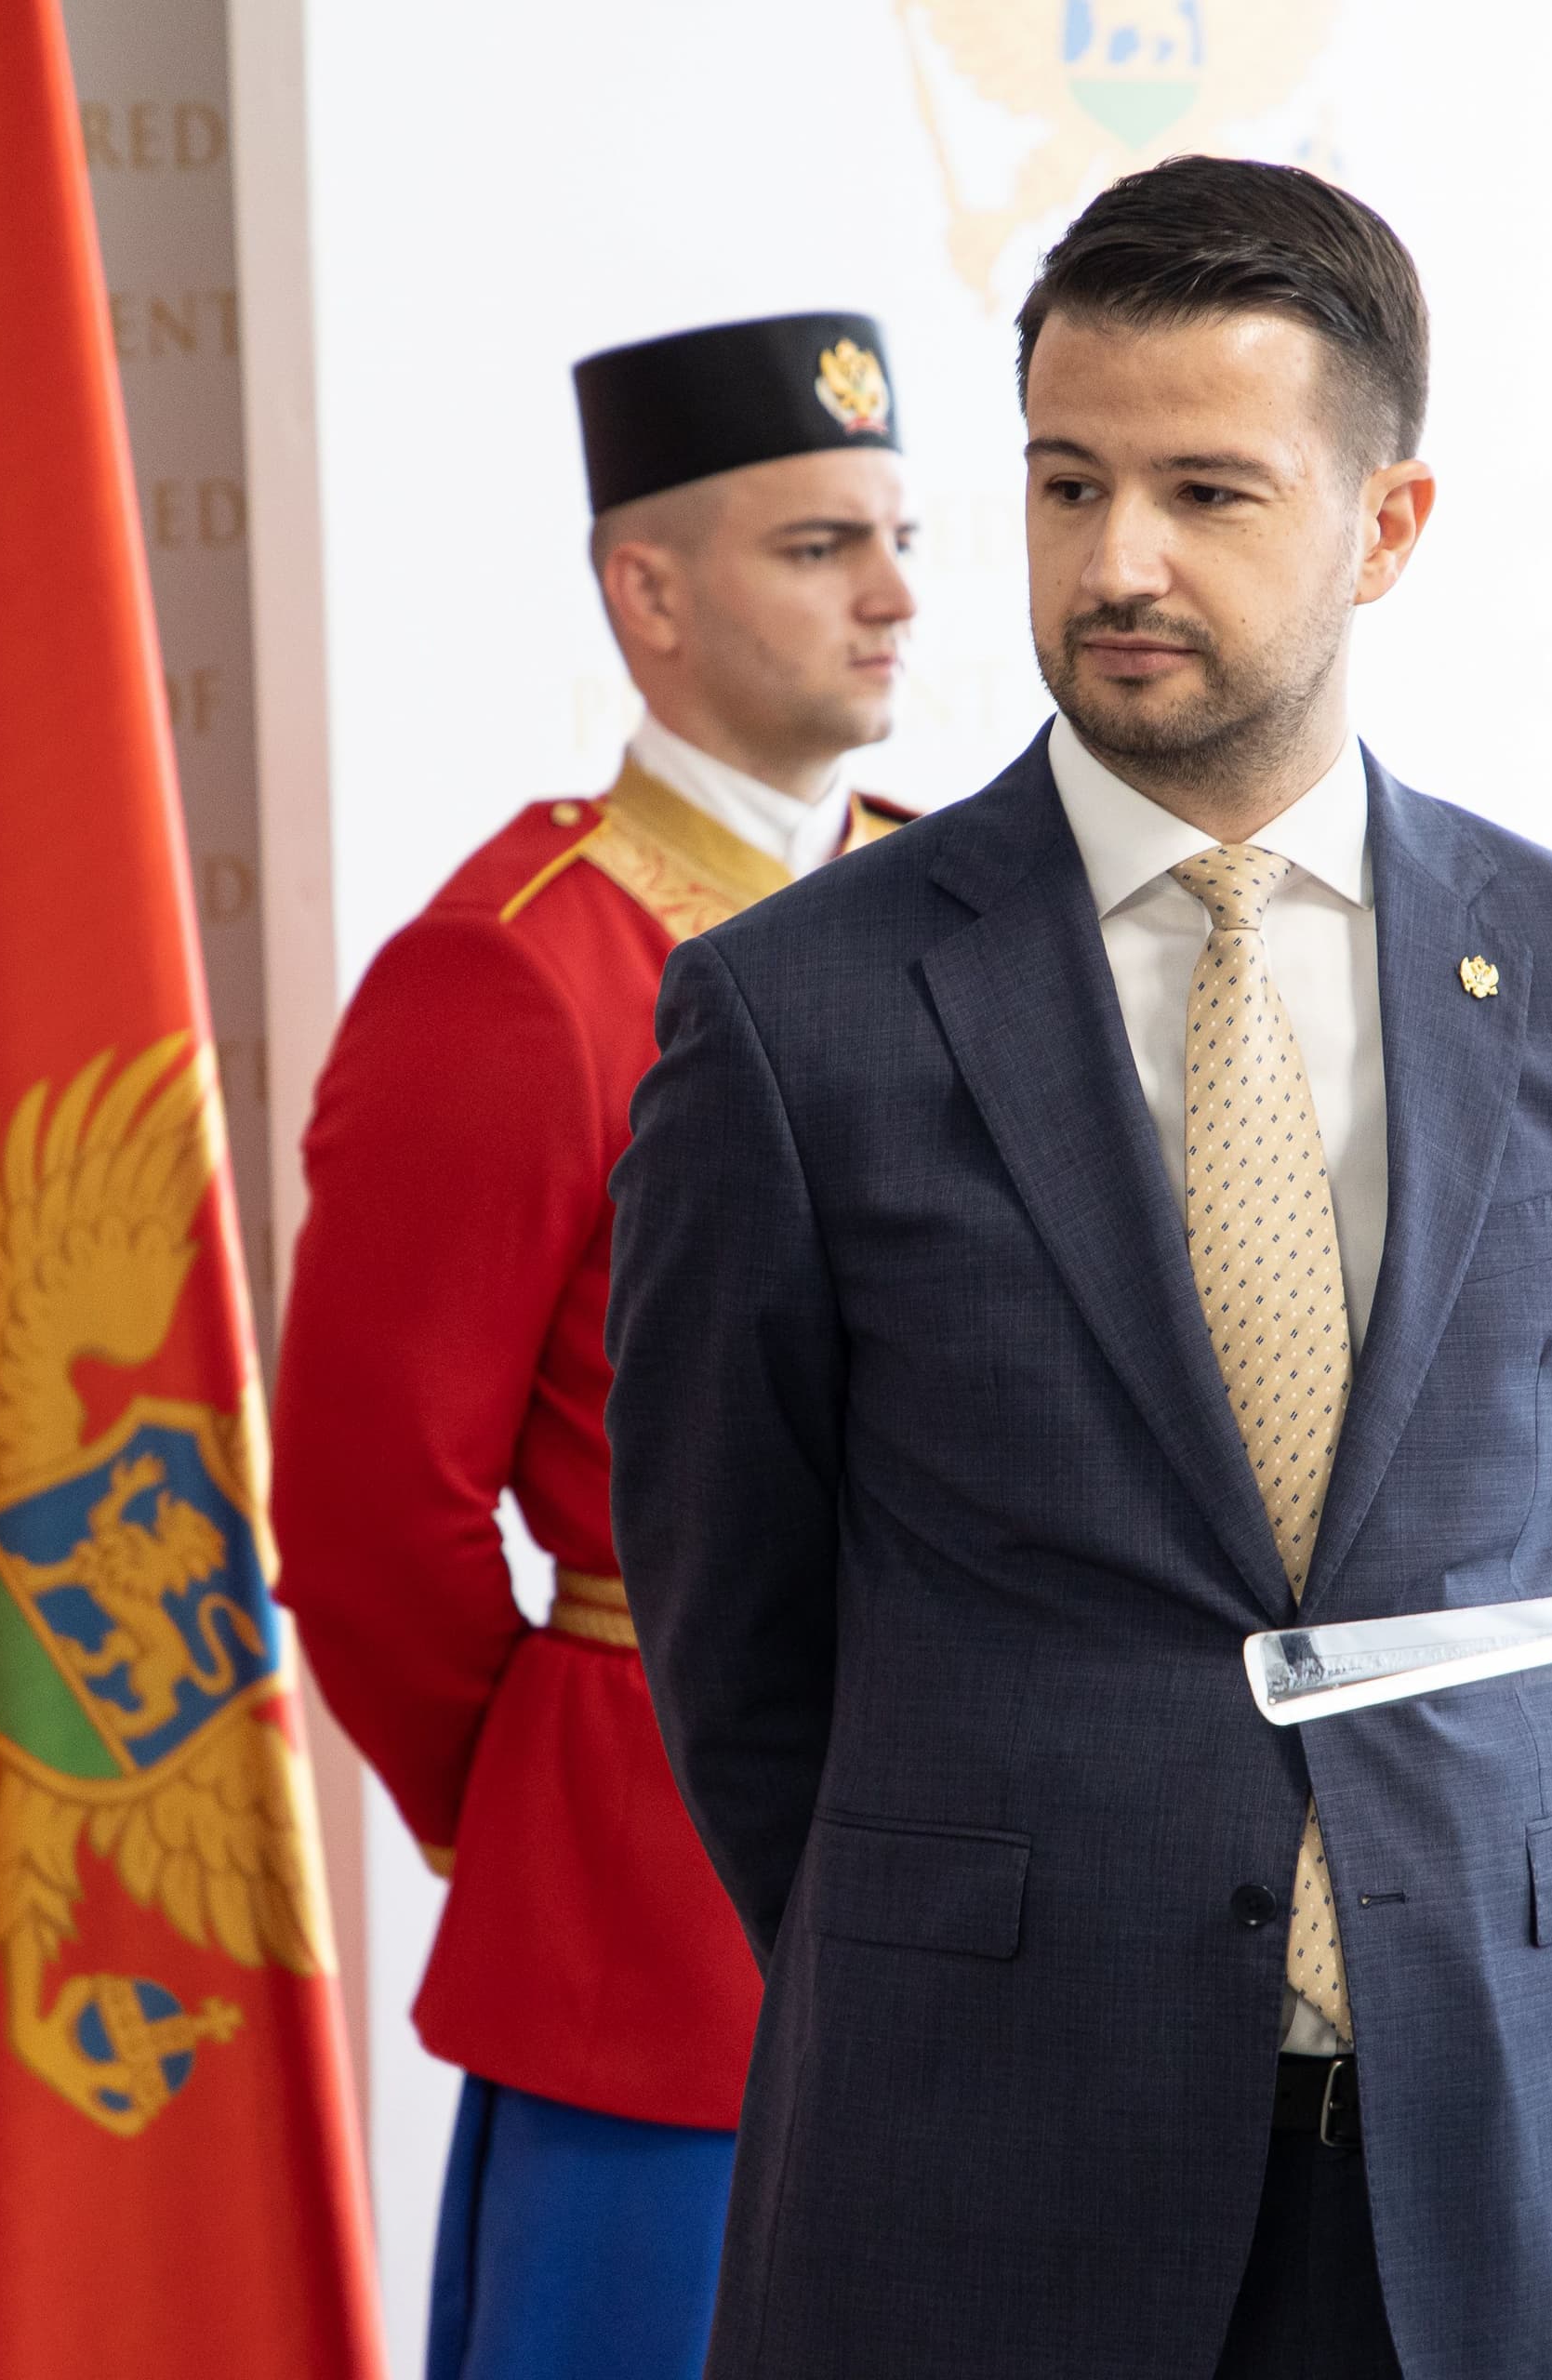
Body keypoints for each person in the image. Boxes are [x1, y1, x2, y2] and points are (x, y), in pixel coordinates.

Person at [609, 161, 1552, 2380]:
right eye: (1068, 483)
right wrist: (973, 1938)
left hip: (1507, 2175)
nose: (1116, 560)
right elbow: (734, 1640)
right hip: (983, 2183)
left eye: (1207, 492)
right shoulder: (792, 1016)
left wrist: (1475, 1895)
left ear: (1387, 526)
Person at [271, 311, 919, 2380]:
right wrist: (544, 1806)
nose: (896, 595)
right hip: (659, 1939)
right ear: (648, 591)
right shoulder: (514, 973)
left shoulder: (963, 910)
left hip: (992, 1891)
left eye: (899, 538)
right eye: (819, 545)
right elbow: (370, 1518)